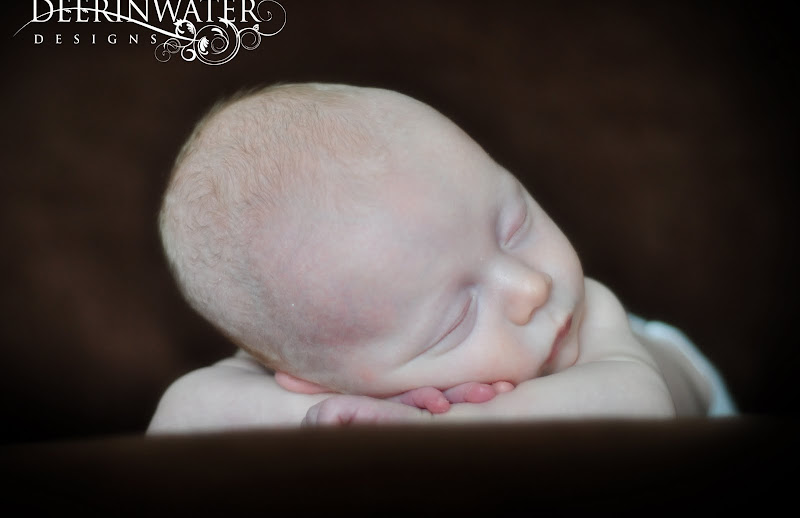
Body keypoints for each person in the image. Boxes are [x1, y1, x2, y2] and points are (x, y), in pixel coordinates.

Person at [148, 83, 736, 434]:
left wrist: (438, 430)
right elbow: (182, 416)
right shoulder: (318, 347)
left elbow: (638, 408)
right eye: (458, 318)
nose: (529, 288)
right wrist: (329, 413)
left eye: (514, 227)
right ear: (316, 378)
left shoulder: (588, 317)